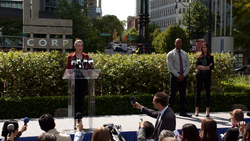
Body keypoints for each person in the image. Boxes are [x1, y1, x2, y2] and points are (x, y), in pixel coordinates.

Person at [66, 38, 91, 120]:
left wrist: (89, 71)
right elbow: (68, 69)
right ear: (75, 46)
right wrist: (70, 75)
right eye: (78, 46)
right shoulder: (71, 57)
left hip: (83, 80)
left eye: (81, 46)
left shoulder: (86, 56)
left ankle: (80, 119)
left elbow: (89, 69)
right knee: (75, 100)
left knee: (81, 100)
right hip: (74, 81)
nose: (80, 47)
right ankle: (75, 119)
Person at [166, 38, 191, 117]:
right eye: (177, 42)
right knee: (172, 94)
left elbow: (187, 65)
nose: (178, 44)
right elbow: (170, 67)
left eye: (179, 42)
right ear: (174, 43)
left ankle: (182, 111)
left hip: (183, 76)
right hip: (174, 76)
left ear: (182, 43)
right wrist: (177, 75)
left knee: (182, 94)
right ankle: (169, 112)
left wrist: (184, 75)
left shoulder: (185, 54)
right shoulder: (170, 54)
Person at [195, 42, 214, 117]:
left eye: (205, 47)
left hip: (207, 76)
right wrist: (206, 67)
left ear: (208, 48)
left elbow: (211, 67)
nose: (204, 49)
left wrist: (202, 67)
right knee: (198, 93)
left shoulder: (211, 57)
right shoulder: (199, 57)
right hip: (199, 76)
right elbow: (197, 66)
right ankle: (196, 110)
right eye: (203, 47)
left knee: (207, 93)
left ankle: (207, 111)